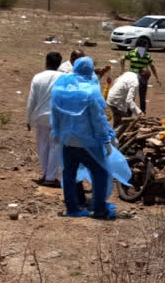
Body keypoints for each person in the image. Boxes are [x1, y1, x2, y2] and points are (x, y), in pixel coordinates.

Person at [51, 57, 120, 219]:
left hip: (68, 140)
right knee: (100, 173)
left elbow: (55, 113)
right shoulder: (91, 91)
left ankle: (72, 208)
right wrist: (106, 139)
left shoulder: (63, 88)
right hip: (88, 142)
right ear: (90, 70)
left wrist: (56, 133)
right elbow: (98, 120)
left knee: (69, 174)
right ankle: (99, 209)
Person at [26, 52, 64, 187]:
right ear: (59, 63)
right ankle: (50, 177)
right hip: (58, 117)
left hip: (41, 116)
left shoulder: (37, 77)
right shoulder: (64, 78)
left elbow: (32, 100)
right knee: (55, 146)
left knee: (42, 145)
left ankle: (46, 173)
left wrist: (28, 119)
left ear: (46, 62)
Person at [120, 36, 161, 114]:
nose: (146, 47)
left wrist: (157, 78)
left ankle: (143, 113)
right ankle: (129, 114)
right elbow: (122, 59)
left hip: (142, 80)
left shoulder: (147, 56)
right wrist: (122, 70)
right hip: (132, 80)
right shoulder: (131, 53)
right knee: (131, 97)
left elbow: (152, 67)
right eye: (145, 46)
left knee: (142, 98)